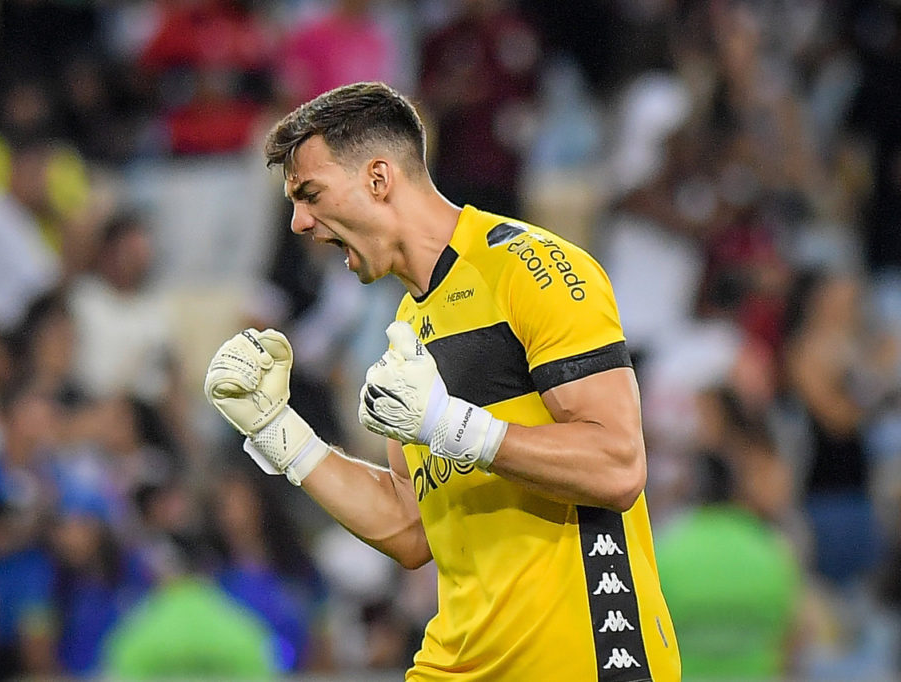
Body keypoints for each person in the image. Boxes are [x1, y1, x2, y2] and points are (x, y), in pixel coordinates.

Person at [203, 81, 681, 681]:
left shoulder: (531, 268)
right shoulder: (409, 324)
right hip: (460, 663)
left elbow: (617, 465)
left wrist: (450, 425)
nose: (298, 223)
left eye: (310, 193)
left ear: (379, 178)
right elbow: (409, 527)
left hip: (583, 658)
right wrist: (277, 431)